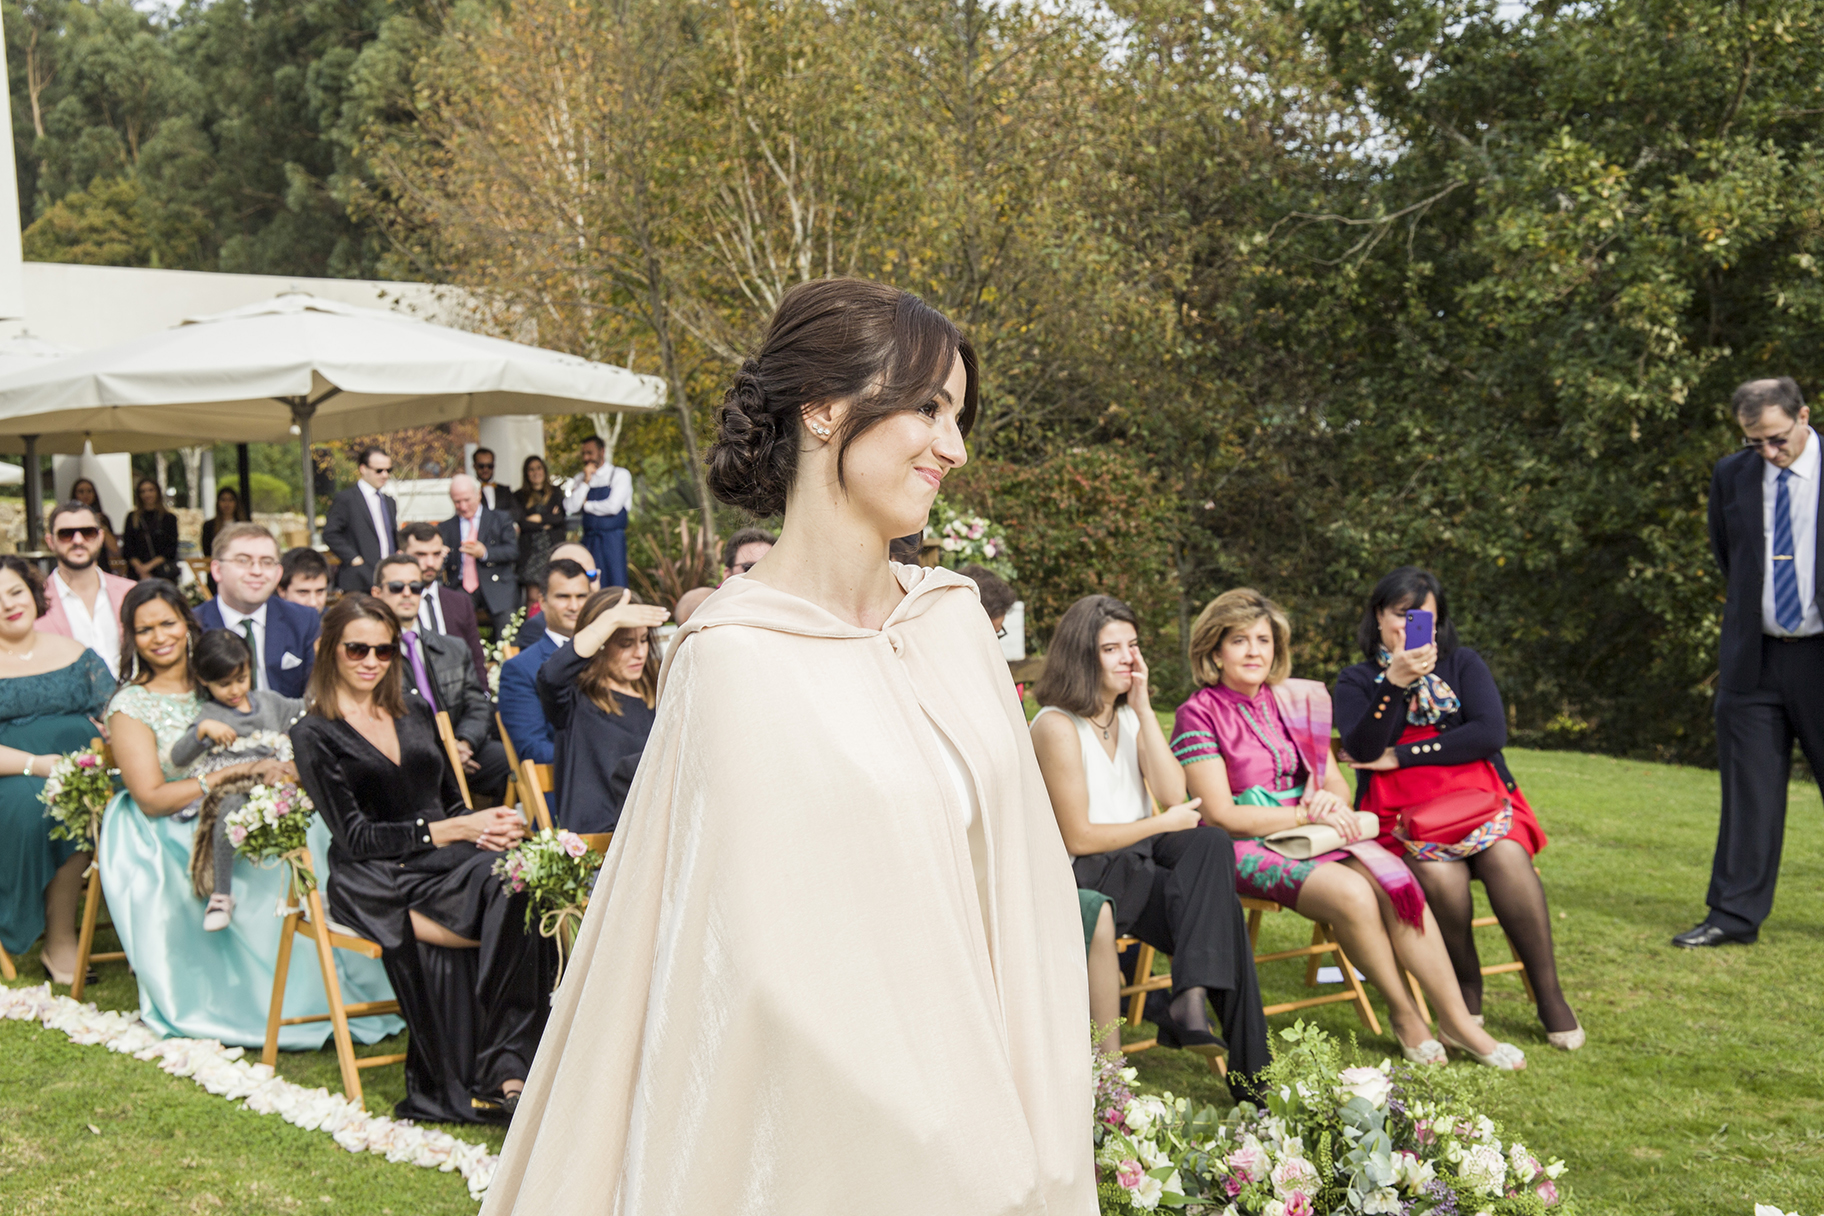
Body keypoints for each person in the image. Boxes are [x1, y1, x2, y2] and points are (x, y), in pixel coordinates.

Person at [483, 279, 1092, 1214]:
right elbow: (755, 963)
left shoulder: (955, 622)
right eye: (928, 408)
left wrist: (1026, 1120)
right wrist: (939, 1133)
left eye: (958, 417)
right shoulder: (734, 659)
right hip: (864, 1143)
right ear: (823, 408)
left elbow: (1026, 884)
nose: (954, 447)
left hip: (1011, 1106)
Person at [1173, 587, 1524, 1070]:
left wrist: (1324, 800)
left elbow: (1335, 783)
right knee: (1355, 894)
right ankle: (1406, 1018)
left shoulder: (1292, 700)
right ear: (1214, 650)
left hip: (1314, 833)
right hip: (1241, 845)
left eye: (1264, 640)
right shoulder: (1198, 712)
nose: (1255, 651)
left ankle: (1458, 1022)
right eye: (1239, 641)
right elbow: (1220, 815)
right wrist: (1306, 814)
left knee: (1395, 881)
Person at [97, 580, 400, 1046]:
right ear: (130, 638)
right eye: (144, 629)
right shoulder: (132, 705)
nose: (159, 636)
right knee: (260, 851)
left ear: (187, 623)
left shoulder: (224, 682)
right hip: (171, 820)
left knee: (316, 827)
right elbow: (151, 798)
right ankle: (274, 997)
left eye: (168, 623)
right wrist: (228, 778)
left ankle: (353, 968)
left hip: (253, 799)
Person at [291, 594, 550, 1123]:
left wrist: (489, 827)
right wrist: (460, 828)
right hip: (378, 875)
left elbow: (452, 801)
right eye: (357, 649)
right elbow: (356, 837)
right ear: (330, 652)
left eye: (384, 651)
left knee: (523, 872)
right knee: (510, 887)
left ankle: (513, 1062)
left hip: (448, 862)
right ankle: (507, 1068)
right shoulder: (313, 733)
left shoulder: (415, 711)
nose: (370, 661)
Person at [1029, 594, 1268, 1090]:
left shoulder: (1130, 717)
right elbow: (1079, 835)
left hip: (1136, 864)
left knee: (1210, 847)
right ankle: (1249, 1074)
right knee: (1219, 911)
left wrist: (1141, 706)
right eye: (1112, 649)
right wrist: (1160, 825)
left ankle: (1192, 1000)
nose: (1130, 659)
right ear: (1081, 655)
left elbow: (1172, 794)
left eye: (1133, 645)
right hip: (1087, 871)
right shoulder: (1055, 725)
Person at [1337, 567, 1582, 1049]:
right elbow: (1364, 747)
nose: (1409, 629)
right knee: (1439, 876)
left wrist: (1403, 755)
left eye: (1421, 619)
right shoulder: (1357, 680)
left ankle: (1549, 993)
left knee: (1508, 857)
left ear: (1438, 622)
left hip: (1482, 804)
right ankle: (1466, 987)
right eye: (1399, 616)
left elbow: (1489, 733)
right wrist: (1394, 685)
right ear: (1378, 618)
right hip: (1403, 819)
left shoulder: (1462, 664)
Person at [1680, 376, 1824, 948]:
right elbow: (1729, 555)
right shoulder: (1731, 475)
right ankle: (1733, 917)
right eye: (1753, 442)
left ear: (1804, 417)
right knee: (1749, 794)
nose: (1767, 452)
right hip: (1753, 659)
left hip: (1821, 655)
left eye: (1776, 438)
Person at [0, 557, 114, 985]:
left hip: (84, 771)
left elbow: (116, 712)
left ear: (32, 592)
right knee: (45, 810)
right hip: (12, 777)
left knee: (104, 804)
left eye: (14, 591)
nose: (8, 604)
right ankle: (60, 938)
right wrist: (36, 766)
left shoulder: (77, 655)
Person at [168, 629, 307, 932]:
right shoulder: (211, 713)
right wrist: (202, 731)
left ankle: (309, 889)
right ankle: (221, 894)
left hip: (272, 783)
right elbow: (179, 757)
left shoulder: (269, 702)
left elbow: (304, 708)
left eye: (241, 679)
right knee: (229, 808)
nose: (234, 690)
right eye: (224, 684)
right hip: (234, 784)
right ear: (204, 680)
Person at [371, 554, 511, 804]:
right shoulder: (369, 658)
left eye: (415, 587)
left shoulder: (453, 648)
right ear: (376, 593)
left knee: (509, 762)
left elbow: (477, 705)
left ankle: (500, 838)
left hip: (462, 748)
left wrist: (464, 743)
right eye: (396, 587)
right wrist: (441, 752)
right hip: (408, 759)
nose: (407, 594)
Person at [536, 588, 668, 833]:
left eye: (643, 640)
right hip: (600, 843)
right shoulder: (574, 701)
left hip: (654, 835)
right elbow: (551, 676)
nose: (639, 653)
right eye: (625, 644)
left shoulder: (659, 696)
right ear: (600, 645)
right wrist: (610, 619)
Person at [194, 523, 319, 698]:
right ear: (217, 570)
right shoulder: (194, 626)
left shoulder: (303, 621)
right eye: (243, 561)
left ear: (278, 573)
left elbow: (315, 696)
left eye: (267, 562)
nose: (256, 571)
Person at [497, 559, 592, 771]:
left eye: (581, 596)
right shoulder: (520, 669)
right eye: (563, 597)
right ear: (542, 601)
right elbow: (533, 749)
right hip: (565, 784)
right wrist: (598, 756)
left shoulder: (609, 655)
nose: (574, 606)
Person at [36, 500, 137, 679]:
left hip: (130, 700)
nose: (78, 540)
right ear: (50, 542)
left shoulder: (130, 592)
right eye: (66, 534)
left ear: (100, 538)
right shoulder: (34, 602)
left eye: (87, 532)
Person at [400, 522, 490, 683]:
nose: (430, 563)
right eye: (420, 554)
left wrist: (484, 698)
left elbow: (476, 659)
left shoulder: (460, 602)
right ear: (401, 556)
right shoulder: (393, 603)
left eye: (436, 554)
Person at [440, 474, 519, 628]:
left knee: (507, 630)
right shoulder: (445, 528)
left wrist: (485, 553)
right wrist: (440, 556)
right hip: (461, 586)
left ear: (478, 494)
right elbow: (444, 563)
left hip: (497, 585)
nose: (463, 506)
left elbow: (513, 551)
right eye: (457, 502)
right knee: (453, 624)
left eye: (467, 500)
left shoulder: (500, 519)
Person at [323, 446, 398, 594]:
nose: (384, 475)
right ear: (363, 469)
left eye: (388, 470)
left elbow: (390, 535)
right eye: (379, 470)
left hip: (388, 580)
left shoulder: (389, 502)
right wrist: (354, 559)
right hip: (358, 581)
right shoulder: (347, 499)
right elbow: (330, 533)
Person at [562, 434, 632, 589]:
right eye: (584, 453)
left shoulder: (619, 474)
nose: (586, 458)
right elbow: (570, 507)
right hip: (589, 540)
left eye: (590, 453)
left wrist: (586, 505)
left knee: (615, 583)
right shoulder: (580, 478)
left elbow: (613, 506)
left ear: (602, 452)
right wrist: (586, 482)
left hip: (612, 541)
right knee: (590, 583)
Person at [511, 541, 598, 649]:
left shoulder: (611, 617)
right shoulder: (536, 629)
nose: (574, 606)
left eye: (591, 576)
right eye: (568, 574)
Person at [513, 455, 566, 592]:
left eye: (538, 468)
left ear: (544, 470)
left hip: (553, 548)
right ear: (526, 473)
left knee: (555, 591)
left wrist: (538, 518)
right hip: (531, 552)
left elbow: (559, 518)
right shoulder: (519, 495)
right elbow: (523, 523)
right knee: (533, 595)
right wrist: (548, 521)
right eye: (531, 469)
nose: (536, 472)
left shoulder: (556, 492)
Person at [121, 477, 179, 582]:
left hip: (162, 572)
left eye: (151, 490)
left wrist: (149, 567)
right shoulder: (132, 517)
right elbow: (128, 549)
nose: (147, 494)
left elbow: (171, 549)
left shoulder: (168, 518)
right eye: (143, 491)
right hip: (137, 572)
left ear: (157, 492)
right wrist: (141, 569)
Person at [200, 485, 250, 594]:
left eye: (230, 500)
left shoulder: (245, 526)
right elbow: (207, 551)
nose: (227, 504)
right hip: (218, 571)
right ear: (218, 503)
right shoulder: (209, 526)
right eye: (223, 500)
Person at [69, 477, 122, 574]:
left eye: (89, 491)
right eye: (81, 491)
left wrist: (98, 524)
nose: (86, 495)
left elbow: (114, 548)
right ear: (75, 495)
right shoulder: (68, 518)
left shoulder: (102, 518)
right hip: (76, 567)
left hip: (101, 567)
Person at [277, 547, 331, 613]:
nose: (313, 603)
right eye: (303, 592)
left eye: (320, 592)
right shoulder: (265, 621)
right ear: (281, 591)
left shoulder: (335, 621)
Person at [471, 448, 510, 513]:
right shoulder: (470, 491)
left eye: (490, 466)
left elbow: (516, 513)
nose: (485, 470)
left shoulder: (505, 490)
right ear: (474, 466)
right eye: (481, 466)